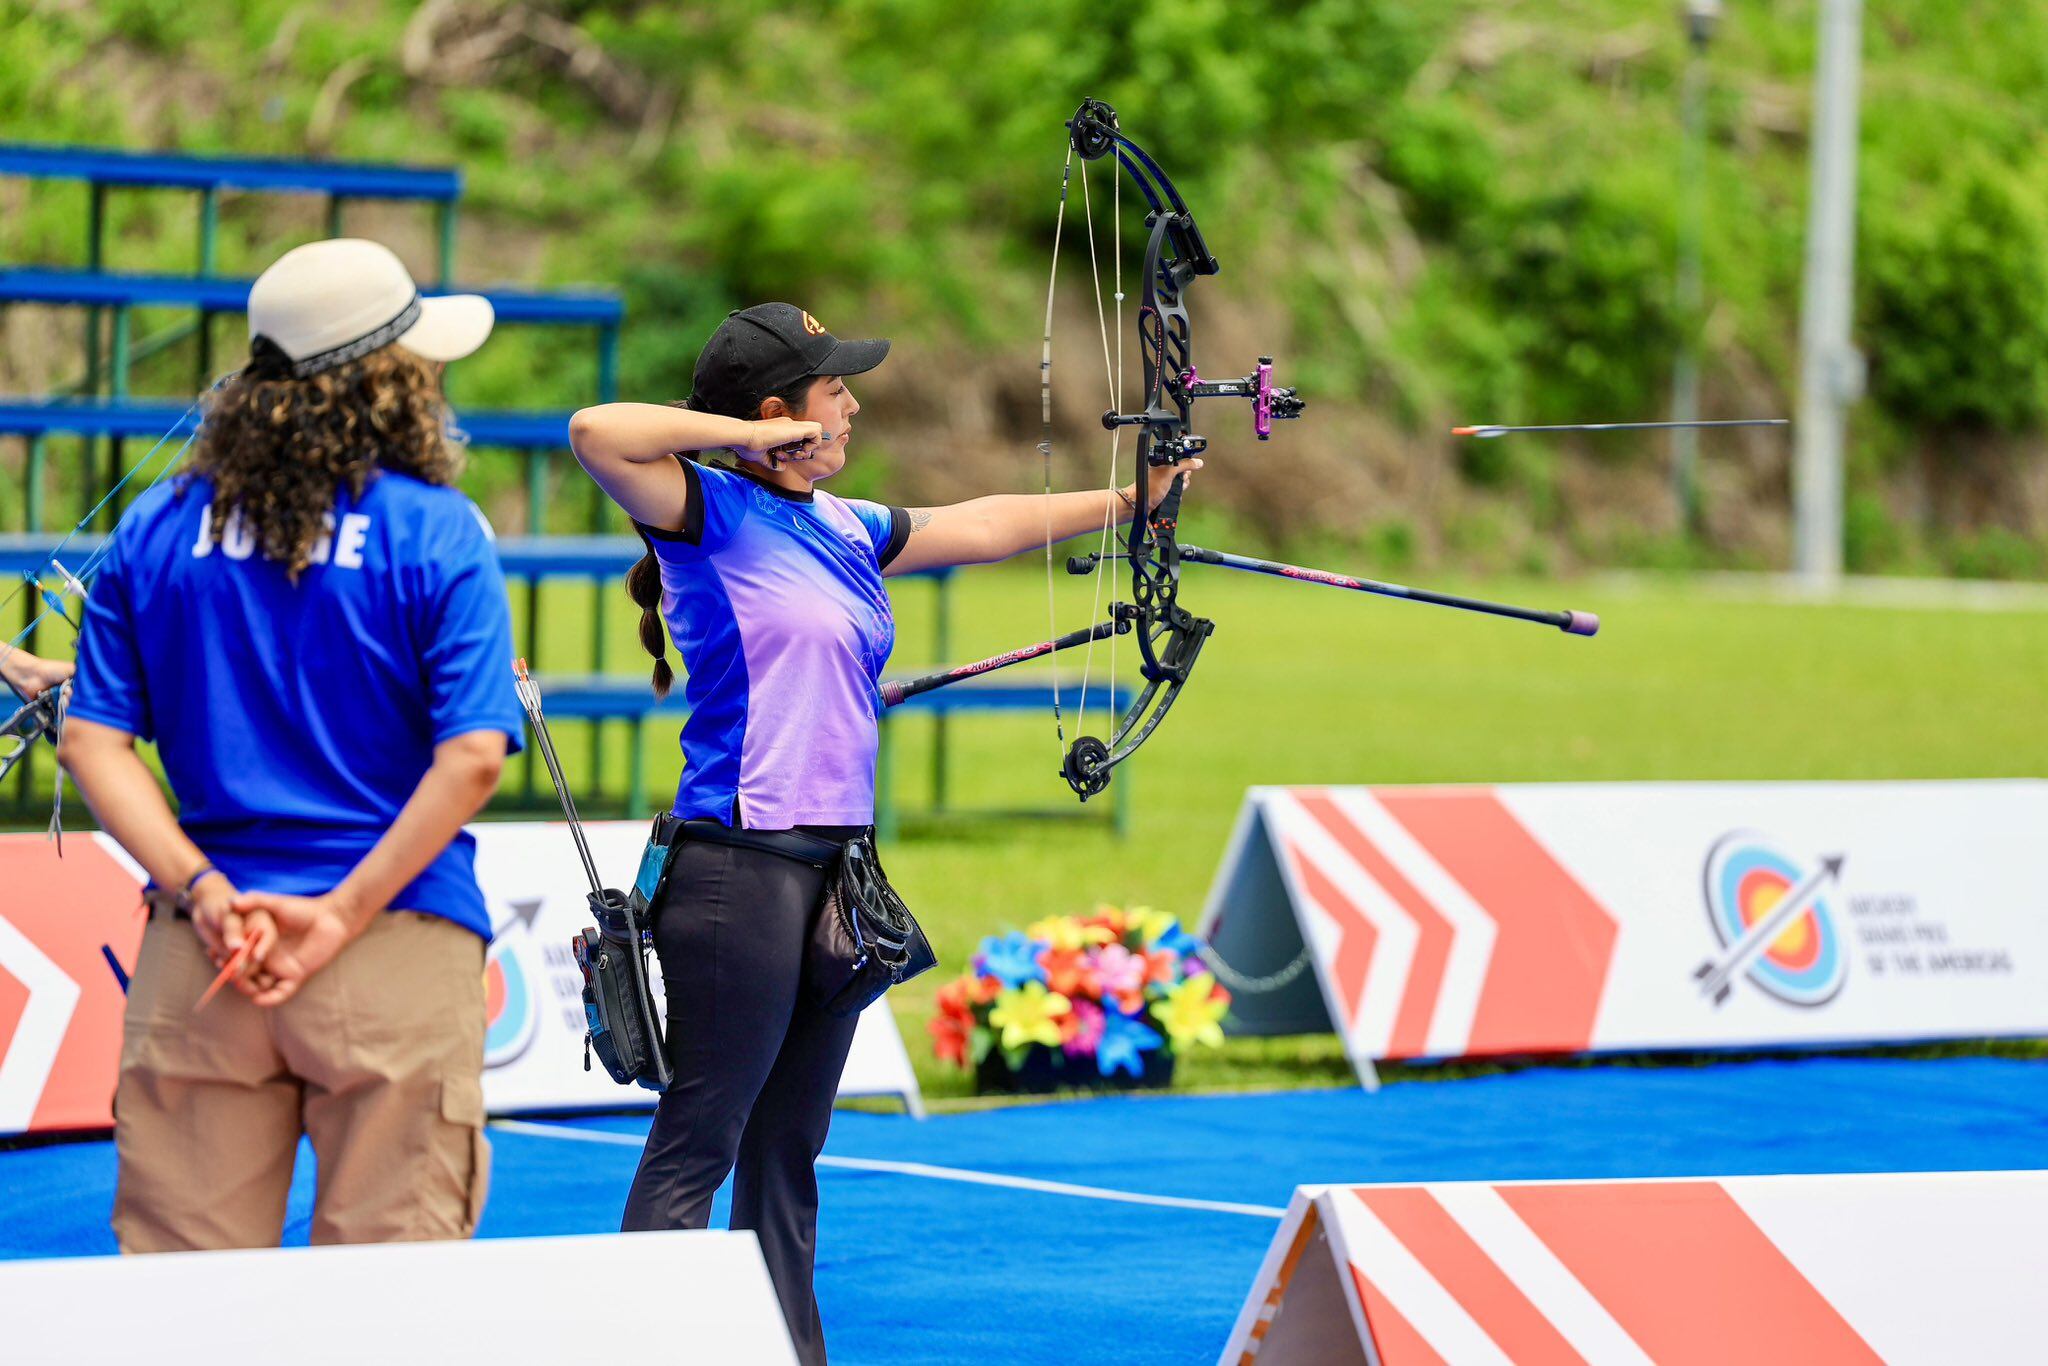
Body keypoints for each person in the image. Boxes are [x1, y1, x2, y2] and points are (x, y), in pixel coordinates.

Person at [568, 302, 1200, 1362]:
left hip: (831, 877)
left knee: (787, 1151)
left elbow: (986, 523)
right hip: (737, 867)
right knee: (699, 1141)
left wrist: (1134, 501)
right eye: (832, 391)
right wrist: (744, 444)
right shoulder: (703, 510)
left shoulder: (843, 524)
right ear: (776, 417)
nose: (852, 404)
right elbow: (596, 431)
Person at [58, 238, 523, 1252]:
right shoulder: (438, 530)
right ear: (387, 379)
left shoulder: (155, 527)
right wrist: (341, 913)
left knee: (181, 1311)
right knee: (389, 1313)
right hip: (392, 935)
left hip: (207, 950)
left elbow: (91, 741)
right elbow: (475, 751)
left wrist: (205, 889)